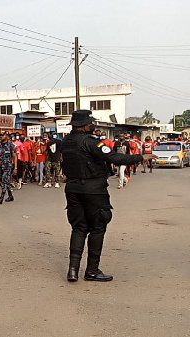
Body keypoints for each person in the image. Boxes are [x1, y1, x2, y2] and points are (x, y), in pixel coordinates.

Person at [62, 110, 157, 282]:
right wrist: (140, 157)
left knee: (79, 228)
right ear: (84, 125)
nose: (93, 125)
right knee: (98, 226)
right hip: (93, 189)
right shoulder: (91, 142)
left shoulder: (66, 142)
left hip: (72, 188)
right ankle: (92, 271)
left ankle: (73, 270)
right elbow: (113, 157)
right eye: (91, 123)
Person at [0, 131, 17, 204]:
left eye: (2, 135)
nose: (1, 137)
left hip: (8, 165)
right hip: (0, 165)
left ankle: (1, 197)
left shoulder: (11, 145)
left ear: (6, 136)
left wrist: (15, 167)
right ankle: (10, 196)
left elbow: (14, 157)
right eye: (0, 136)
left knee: (4, 179)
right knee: (5, 181)